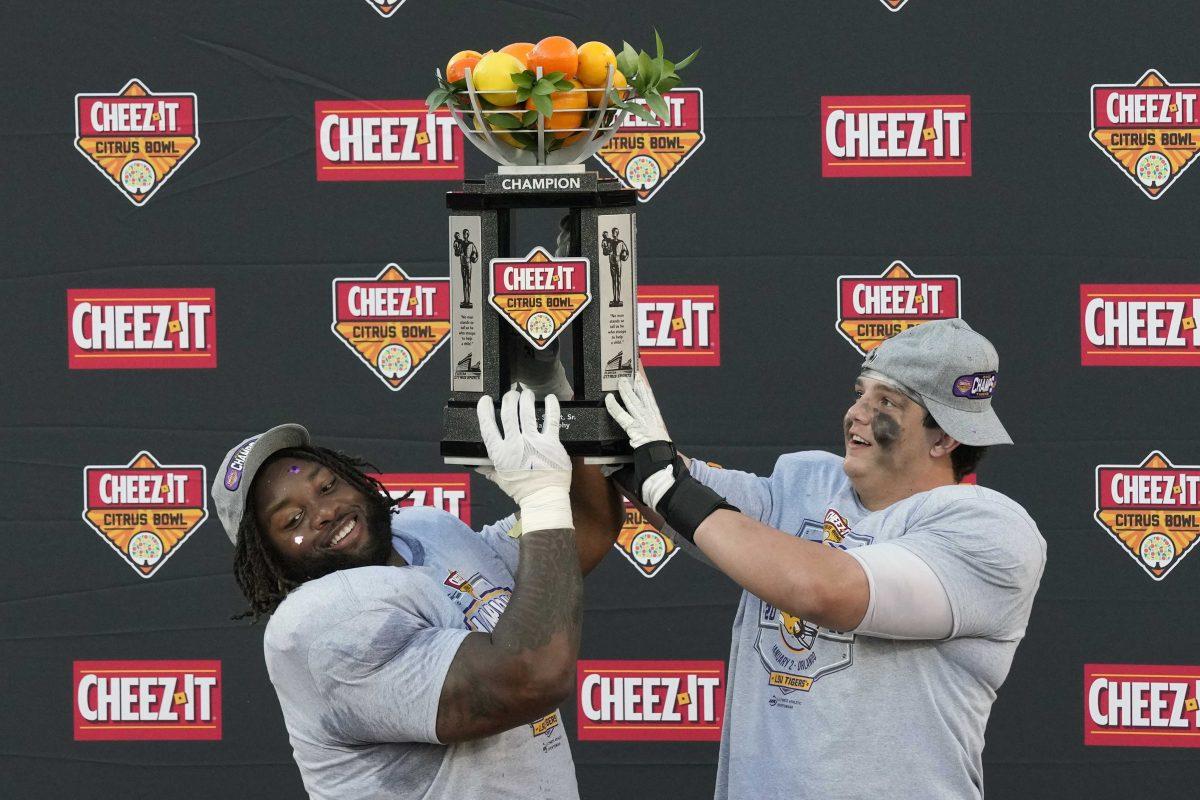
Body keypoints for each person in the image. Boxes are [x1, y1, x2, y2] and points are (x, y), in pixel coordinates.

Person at [606, 318, 1047, 799]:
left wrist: (668, 482)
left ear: (944, 439)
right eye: (861, 393)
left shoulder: (991, 532)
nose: (856, 413)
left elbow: (825, 590)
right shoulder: (806, 482)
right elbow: (676, 494)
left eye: (886, 403)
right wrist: (597, 362)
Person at [211, 355, 622, 800]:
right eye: (293, 520)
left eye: (327, 486)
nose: (325, 511)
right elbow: (531, 678)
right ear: (269, 559)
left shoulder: (423, 529)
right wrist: (541, 496)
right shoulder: (316, 626)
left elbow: (586, 525)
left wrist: (549, 393)